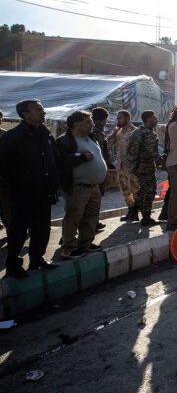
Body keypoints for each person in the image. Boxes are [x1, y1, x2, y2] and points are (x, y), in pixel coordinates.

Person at [0, 100, 59, 277]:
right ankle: (13, 265)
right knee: (19, 229)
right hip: (22, 194)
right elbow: (4, 167)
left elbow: (53, 161)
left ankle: (37, 259)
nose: (43, 112)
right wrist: (16, 189)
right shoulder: (13, 137)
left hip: (44, 191)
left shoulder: (46, 135)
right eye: (38, 109)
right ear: (25, 114)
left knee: (42, 227)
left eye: (42, 108)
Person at [56, 110, 108, 259]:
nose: (92, 124)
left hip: (94, 186)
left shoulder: (91, 138)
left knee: (91, 217)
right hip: (78, 187)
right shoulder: (65, 141)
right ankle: (68, 248)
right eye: (88, 122)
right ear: (76, 124)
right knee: (73, 218)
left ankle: (85, 243)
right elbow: (60, 163)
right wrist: (80, 157)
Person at [126, 111, 161, 226]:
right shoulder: (148, 133)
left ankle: (134, 212)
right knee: (149, 191)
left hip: (135, 167)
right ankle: (146, 217)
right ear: (148, 119)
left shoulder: (136, 132)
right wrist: (163, 161)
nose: (156, 120)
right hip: (146, 168)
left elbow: (130, 150)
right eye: (154, 118)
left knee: (140, 190)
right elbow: (153, 153)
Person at [107, 110, 138, 221]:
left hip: (131, 166)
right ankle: (130, 211)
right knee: (124, 189)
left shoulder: (134, 131)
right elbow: (109, 144)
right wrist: (114, 132)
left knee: (134, 189)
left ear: (127, 118)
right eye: (118, 118)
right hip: (120, 166)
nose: (118, 120)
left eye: (120, 118)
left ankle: (135, 212)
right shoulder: (118, 132)